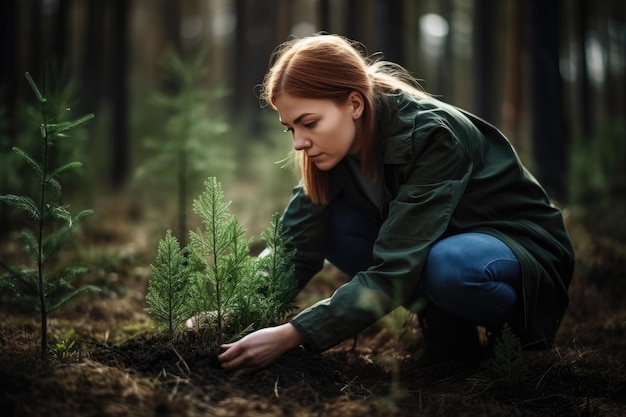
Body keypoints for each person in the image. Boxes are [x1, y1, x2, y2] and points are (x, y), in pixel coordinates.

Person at [218, 34, 575, 372]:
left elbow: (397, 265)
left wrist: (293, 334)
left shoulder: (433, 135)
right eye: (290, 128)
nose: (299, 142)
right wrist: (231, 311)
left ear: (354, 103)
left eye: (308, 123)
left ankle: (514, 341)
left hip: (517, 249)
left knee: (450, 264)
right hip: (432, 245)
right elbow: (291, 244)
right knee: (334, 225)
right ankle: (449, 336)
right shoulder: (332, 150)